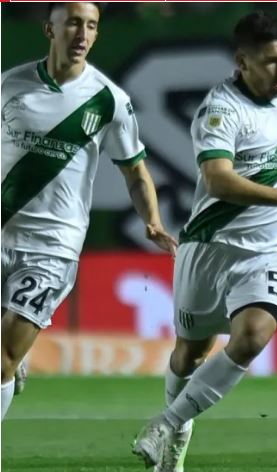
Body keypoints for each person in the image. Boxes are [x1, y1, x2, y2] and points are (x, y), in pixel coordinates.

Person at [131, 11, 277, 472]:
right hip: (210, 245)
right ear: (242, 62)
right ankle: (180, 430)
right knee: (189, 353)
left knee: (252, 337)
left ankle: (167, 424)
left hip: (269, 250)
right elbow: (218, 181)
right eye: (270, 61)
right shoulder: (220, 110)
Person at [1, 2, 177, 419]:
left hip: (52, 246)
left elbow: (136, 171)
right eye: (73, 23)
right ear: (50, 29)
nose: (82, 34)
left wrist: (152, 221)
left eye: (92, 25)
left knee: (2, 356)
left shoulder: (108, 100)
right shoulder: (9, 86)